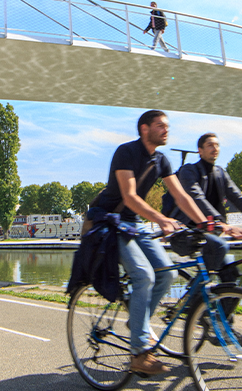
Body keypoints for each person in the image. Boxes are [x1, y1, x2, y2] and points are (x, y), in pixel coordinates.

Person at [89, 110, 208, 376]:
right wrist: (161, 219)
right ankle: (140, 352)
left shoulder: (161, 160)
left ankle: (137, 323)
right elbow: (129, 197)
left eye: (167, 126)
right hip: (112, 222)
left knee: (167, 274)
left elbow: (181, 196)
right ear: (145, 129)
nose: (166, 130)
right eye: (160, 126)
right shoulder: (126, 153)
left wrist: (205, 223)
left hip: (135, 224)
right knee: (143, 275)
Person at [162, 133, 242, 339]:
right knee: (220, 250)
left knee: (231, 275)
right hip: (187, 232)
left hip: (212, 233)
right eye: (209, 145)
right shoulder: (189, 171)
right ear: (200, 150)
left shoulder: (221, 173)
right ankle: (198, 305)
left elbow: (238, 197)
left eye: (217, 145)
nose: (215, 149)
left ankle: (222, 325)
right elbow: (196, 198)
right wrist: (222, 225)